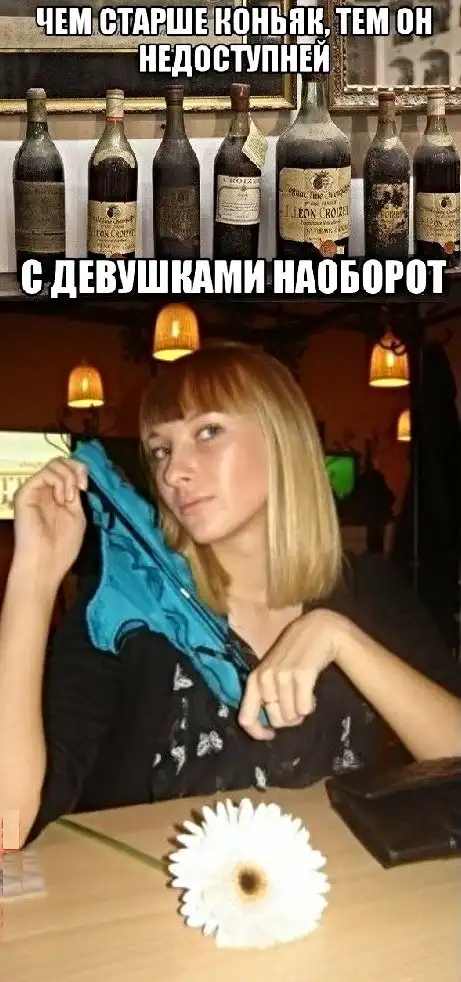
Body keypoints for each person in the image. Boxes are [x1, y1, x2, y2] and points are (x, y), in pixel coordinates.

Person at [1, 343, 460, 851]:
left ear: (282, 441)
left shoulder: (367, 591)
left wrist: (340, 638)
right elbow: (8, 824)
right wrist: (33, 578)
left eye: (208, 432)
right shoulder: (128, 613)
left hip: (343, 890)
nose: (174, 472)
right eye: (161, 449)